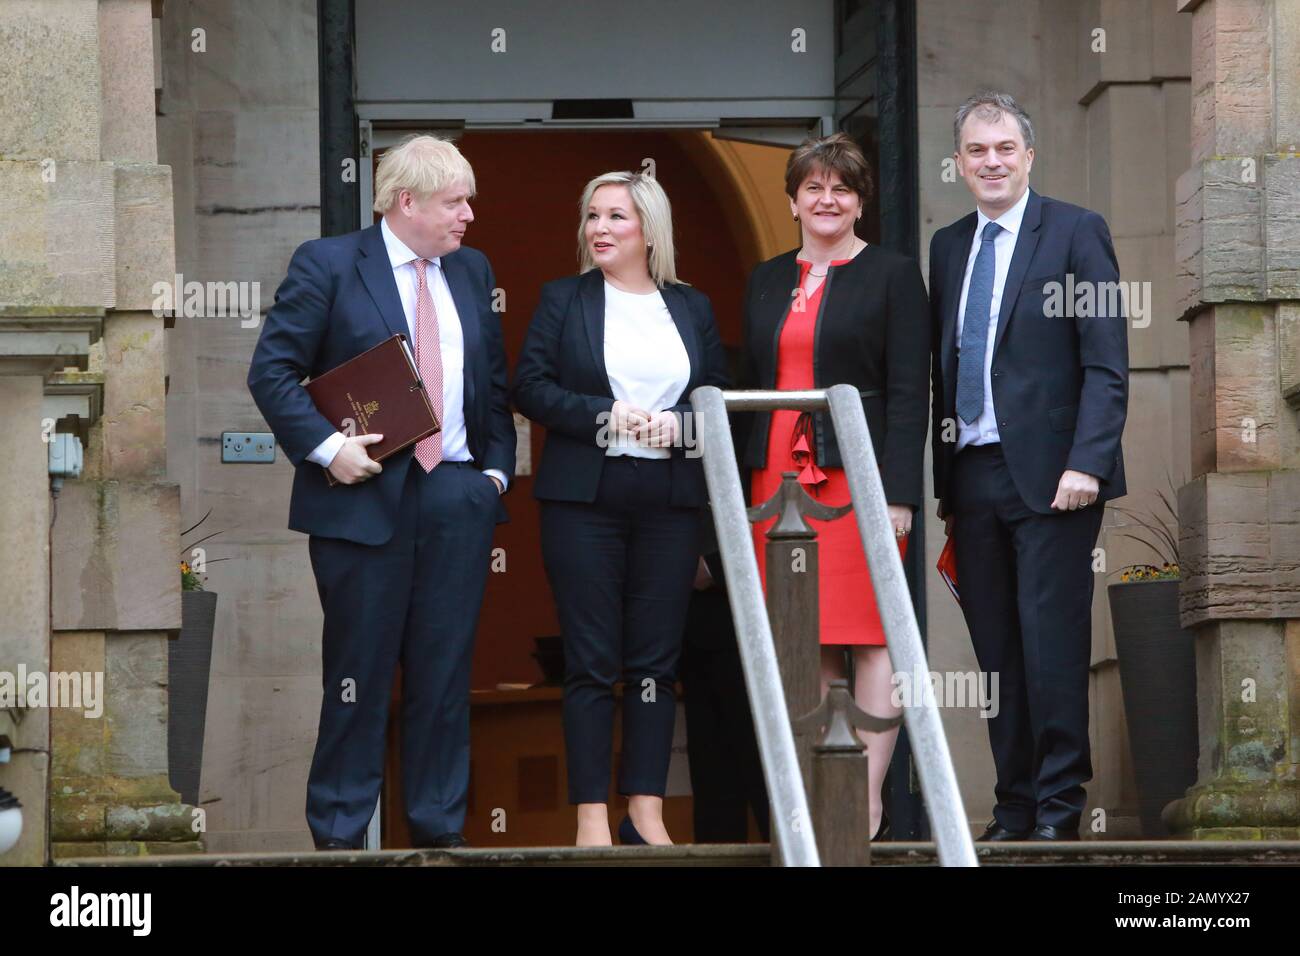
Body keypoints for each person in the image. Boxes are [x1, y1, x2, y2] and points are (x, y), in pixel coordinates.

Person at [247, 134, 516, 850]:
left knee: (444, 679)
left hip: (456, 499)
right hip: (361, 503)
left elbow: (493, 383)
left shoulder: (471, 269)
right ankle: (339, 839)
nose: (467, 216)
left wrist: (490, 476)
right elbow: (271, 373)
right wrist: (329, 449)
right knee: (356, 680)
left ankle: (437, 837)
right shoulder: (329, 263)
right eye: (455, 201)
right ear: (407, 201)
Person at [929, 92, 1128, 842]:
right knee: (996, 654)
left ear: (1029, 156)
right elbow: (942, 367)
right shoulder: (948, 246)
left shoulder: (1078, 231)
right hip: (973, 475)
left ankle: (1056, 811)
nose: (991, 162)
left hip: (1056, 479)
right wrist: (945, 482)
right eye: (977, 151)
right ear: (958, 162)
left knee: (1050, 646)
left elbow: (1108, 364)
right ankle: (1012, 808)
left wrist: (1088, 463)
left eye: (1004, 148)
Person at [512, 171, 729, 847]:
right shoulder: (564, 299)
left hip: (669, 504)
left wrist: (682, 425)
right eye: (593, 217)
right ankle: (590, 819)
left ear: (648, 231)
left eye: (616, 217)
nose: (600, 229)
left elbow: (718, 401)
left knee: (655, 665)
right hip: (585, 504)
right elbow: (531, 388)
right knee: (591, 660)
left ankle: (646, 810)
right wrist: (609, 415)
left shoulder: (691, 308)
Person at [740, 133, 930, 843]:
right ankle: (825, 784)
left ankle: (869, 793)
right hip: (775, 481)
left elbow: (912, 392)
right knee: (806, 633)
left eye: (842, 189)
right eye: (814, 188)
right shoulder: (763, 278)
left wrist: (901, 494)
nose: (827, 200)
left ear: (860, 202)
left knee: (874, 633)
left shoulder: (892, 275)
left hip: (859, 476)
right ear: (792, 200)